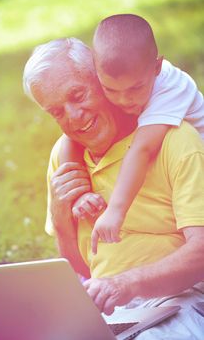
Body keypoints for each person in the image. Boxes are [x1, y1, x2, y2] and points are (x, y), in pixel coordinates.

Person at [23, 38, 204, 338]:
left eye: (78, 95)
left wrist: (125, 284)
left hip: (182, 300)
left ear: (101, 79)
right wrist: (60, 214)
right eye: (57, 112)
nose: (74, 116)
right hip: (111, 310)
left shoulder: (174, 139)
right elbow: (82, 267)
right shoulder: (64, 158)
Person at [59, 14, 204, 255]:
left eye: (136, 88)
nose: (124, 100)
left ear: (157, 67)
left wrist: (115, 211)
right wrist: (80, 193)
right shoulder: (124, 83)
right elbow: (70, 137)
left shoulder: (172, 89)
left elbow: (143, 150)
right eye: (110, 90)